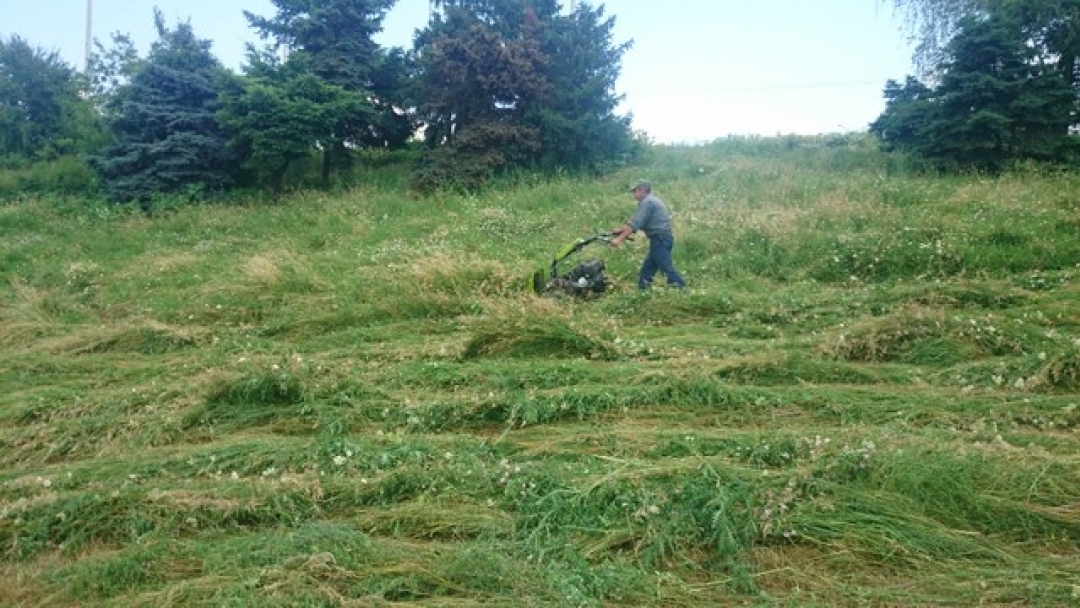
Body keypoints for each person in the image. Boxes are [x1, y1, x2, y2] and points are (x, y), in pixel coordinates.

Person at [610, 179, 686, 289]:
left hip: (660, 239)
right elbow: (636, 222)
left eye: (635, 191)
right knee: (648, 269)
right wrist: (621, 230)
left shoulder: (647, 202)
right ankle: (643, 290)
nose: (634, 194)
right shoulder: (651, 201)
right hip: (661, 238)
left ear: (642, 190)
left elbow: (636, 223)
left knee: (666, 268)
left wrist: (619, 239)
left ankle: (682, 289)